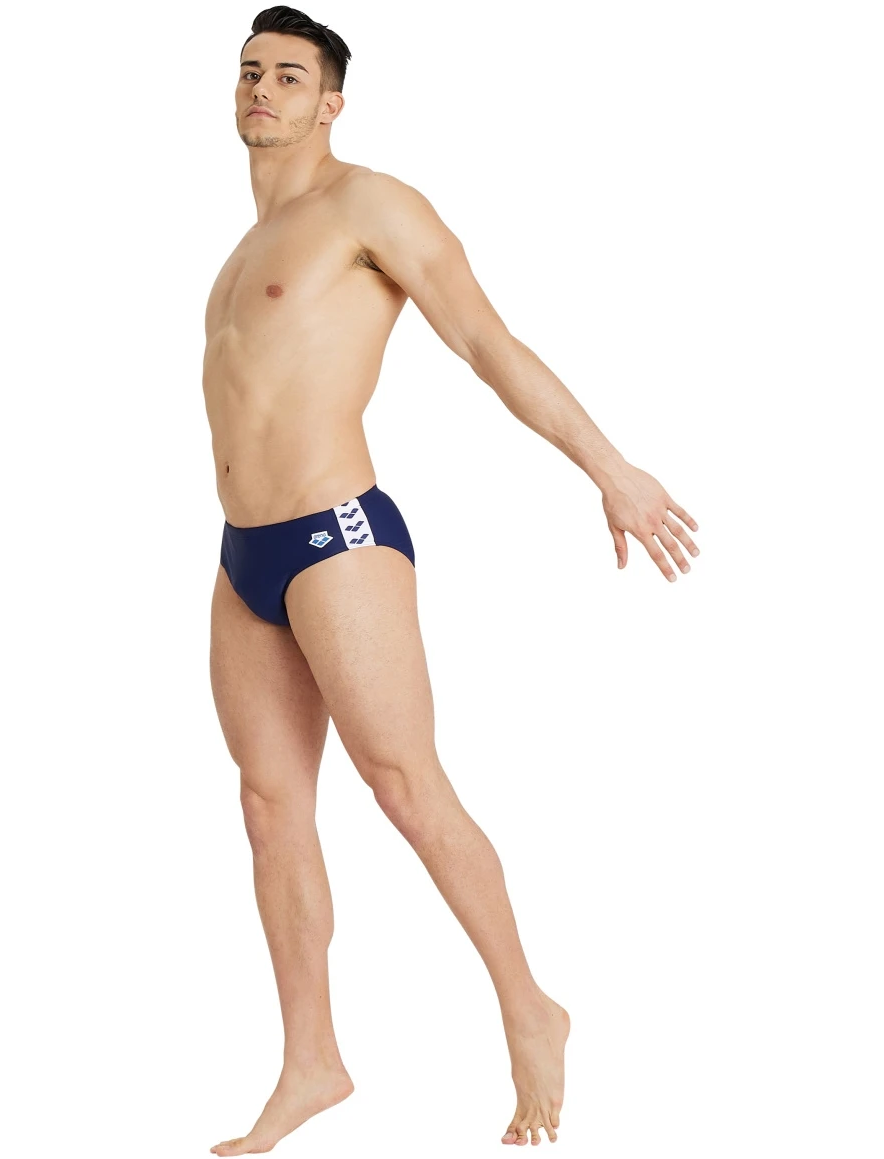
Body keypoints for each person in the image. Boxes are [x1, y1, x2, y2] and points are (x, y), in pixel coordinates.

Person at [205, 6, 700, 1154]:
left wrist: (610, 469)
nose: (262, 89)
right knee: (270, 807)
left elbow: (485, 342)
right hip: (241, 556)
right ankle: (312, 1060)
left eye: (288, 76)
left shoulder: (368, 206)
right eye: (249, 71)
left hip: (336, 537)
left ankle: (529, 1007)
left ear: (332, 103)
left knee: (404, 785)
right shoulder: (240, 252)